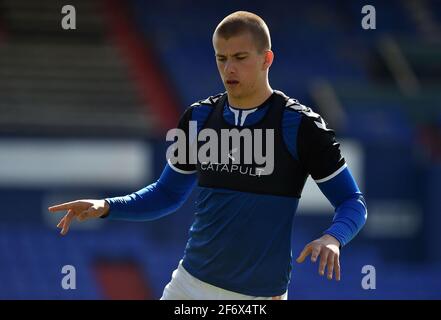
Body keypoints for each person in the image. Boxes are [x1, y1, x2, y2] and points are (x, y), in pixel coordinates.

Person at [49, 11, 367, 300]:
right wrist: (106, 206)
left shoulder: (300, 125)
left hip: (257, 298)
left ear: (266, 58)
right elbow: (167, 194)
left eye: (240, 57)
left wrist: (334, 238)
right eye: (221, 58)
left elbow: (352, 202)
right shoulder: (198, 119)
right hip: (187, 286)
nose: (229, 68)